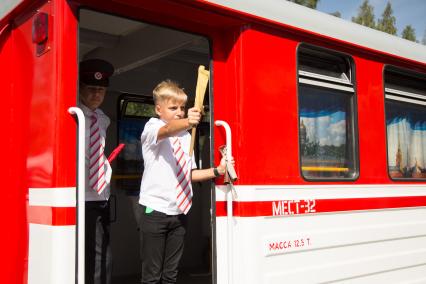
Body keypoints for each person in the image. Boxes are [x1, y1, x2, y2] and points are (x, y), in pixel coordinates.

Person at [139, 80, 229, 284]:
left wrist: (217, 171)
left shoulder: (187, 136)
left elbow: (189, 174)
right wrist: (188, 121)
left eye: (182, 108)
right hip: (155, 211)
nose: (179, 112)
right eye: (173, 108)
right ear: (158, 109)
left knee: (171, 275)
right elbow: (167, 130)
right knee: (152, 276)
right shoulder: (152, 127)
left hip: (180, 212)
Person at [79, 58, 114, 284]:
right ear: (80, 88)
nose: (96, 94)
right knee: (85, 254)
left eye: (101, 90)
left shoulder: (103, 119)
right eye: (91, 89)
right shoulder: (72, 115)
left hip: (101, 195)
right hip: (79, 196)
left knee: (103, 256)